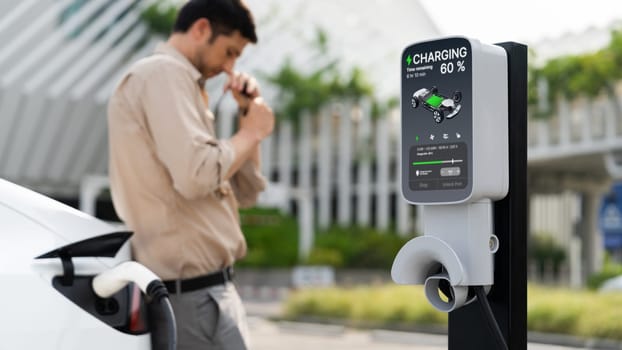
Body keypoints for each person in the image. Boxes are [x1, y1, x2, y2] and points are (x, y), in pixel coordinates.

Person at [106, 0, 274, 349]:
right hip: (195, 297)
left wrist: (247, 117)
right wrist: (252, 133)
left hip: (207, 294)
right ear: (201, 29)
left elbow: (247, 192)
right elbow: (197, 175)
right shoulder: (163, 75)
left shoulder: (182, 83)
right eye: (229, 52)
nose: (229, 68)